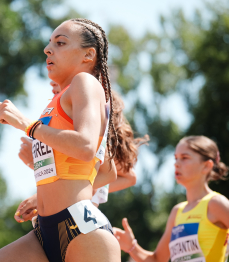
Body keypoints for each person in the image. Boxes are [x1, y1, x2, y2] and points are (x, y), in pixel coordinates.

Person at [0, 18, 121, 262]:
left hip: (81, 228)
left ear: (88, 55)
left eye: (60, 43)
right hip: (44, 231)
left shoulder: (85, 82)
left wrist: (26, 125)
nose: (48, 49)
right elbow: (100, 169)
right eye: (49, 44)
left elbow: (86, 146)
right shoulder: (56, 102)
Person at [113, 136, 229, 262]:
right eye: (176, 158)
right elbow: (157, 260)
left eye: (185, 157)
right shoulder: (177, 211)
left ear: (207, 166)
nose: (176, 164)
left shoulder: (215, 204)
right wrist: (131, 247)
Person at [15, 87, 148, 224]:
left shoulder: (88, 140)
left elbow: (117, 176)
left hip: (78, 224)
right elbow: (76, 176)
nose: (55, 93)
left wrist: (38, 172)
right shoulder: (66, 131)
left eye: (58, 89)